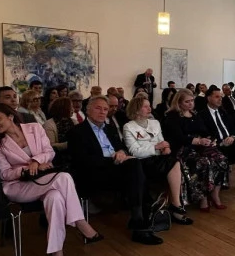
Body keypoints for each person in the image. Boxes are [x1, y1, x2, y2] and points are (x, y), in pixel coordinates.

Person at [0, 103, 102, 256]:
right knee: (64, 177)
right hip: (18, 186)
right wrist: (27, 169)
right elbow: (4, 174)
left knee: (55, 198)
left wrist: (36, 161)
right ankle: (80, 222)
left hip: (45, 179)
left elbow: (50, 152)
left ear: (10, 116)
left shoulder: (34, 128)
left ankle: (57, 253)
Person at [67, 95, 168, 244]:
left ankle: (140, 220)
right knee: (135, 167)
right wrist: (113, 160)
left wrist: (121, 152)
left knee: (136, 167)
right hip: (94, 173)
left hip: (118, 169)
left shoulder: (110, 128)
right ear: (87, 110)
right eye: (98, 108)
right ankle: (143, 218)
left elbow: (121, 147)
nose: (102, 112)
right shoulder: (77, 132)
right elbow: (82, 161)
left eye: (105, 109)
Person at [162, 89, 228, 211]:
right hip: (183, 148)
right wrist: (197, 140)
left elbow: (204, 131)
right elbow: (178, 137)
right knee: (203, 163)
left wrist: (209, 139)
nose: (190, 104)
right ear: (179, 102)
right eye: (187, 102)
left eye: (192, 101)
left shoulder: (195, 114)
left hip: (199, 146)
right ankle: (203, 198)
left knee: (221, 159)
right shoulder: (173, 117)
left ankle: (215, 194)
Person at [122, 97, 187, 214]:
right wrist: (156, 147)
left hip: (158, 158)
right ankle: (176, 204)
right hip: (141, 162)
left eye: (149, 106)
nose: (149, 109)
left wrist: (166, 147)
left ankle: (175, 203)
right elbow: (135, 151)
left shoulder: (155, 123)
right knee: (174, 163)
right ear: (136, 110)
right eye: (145, 106)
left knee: (176, 161)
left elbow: (161, 140)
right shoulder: (129, 127)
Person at [199, 85, 235, 190]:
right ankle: (222, 182)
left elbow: (233, 127)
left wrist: (233, 137)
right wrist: (221, 142)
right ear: (208, 98)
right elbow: (204, 133)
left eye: (221, 97)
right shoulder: (202, 115)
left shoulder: (223, 112)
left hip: (230, 142)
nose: (220, 99)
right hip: (217, 145)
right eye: (217, 97)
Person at [43, 97, 74, 165]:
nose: (73, 109)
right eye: (71, 107)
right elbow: (51, 145)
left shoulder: (74, 122)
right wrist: (70, 144)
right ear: (63, 108)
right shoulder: (49, 124)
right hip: (57, 157)